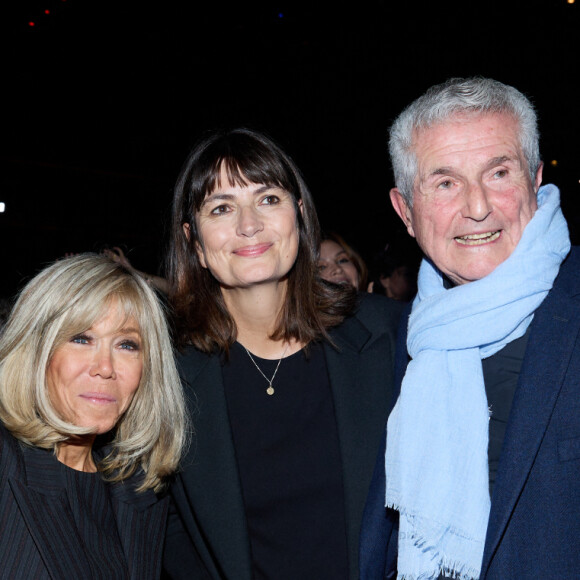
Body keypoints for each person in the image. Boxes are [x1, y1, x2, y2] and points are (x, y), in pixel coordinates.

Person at [359, 77, 580, 579]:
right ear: (406, 212)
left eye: (498, 172)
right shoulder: (403, 340)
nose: (477, 206)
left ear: (535, 179)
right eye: (445, 183)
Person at [163, 127, 403, 580]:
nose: (249, 224)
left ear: (300, 212)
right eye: (221, 208)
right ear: (194, 242)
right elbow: (164, 531)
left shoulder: (386, 335)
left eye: (268, 199)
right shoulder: (169, 375)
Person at [0, 254, 189, 579]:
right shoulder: (8, 462)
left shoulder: (141, 488)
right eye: (81, 339)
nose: (105, 367)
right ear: (35, 350)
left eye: (127, 345)